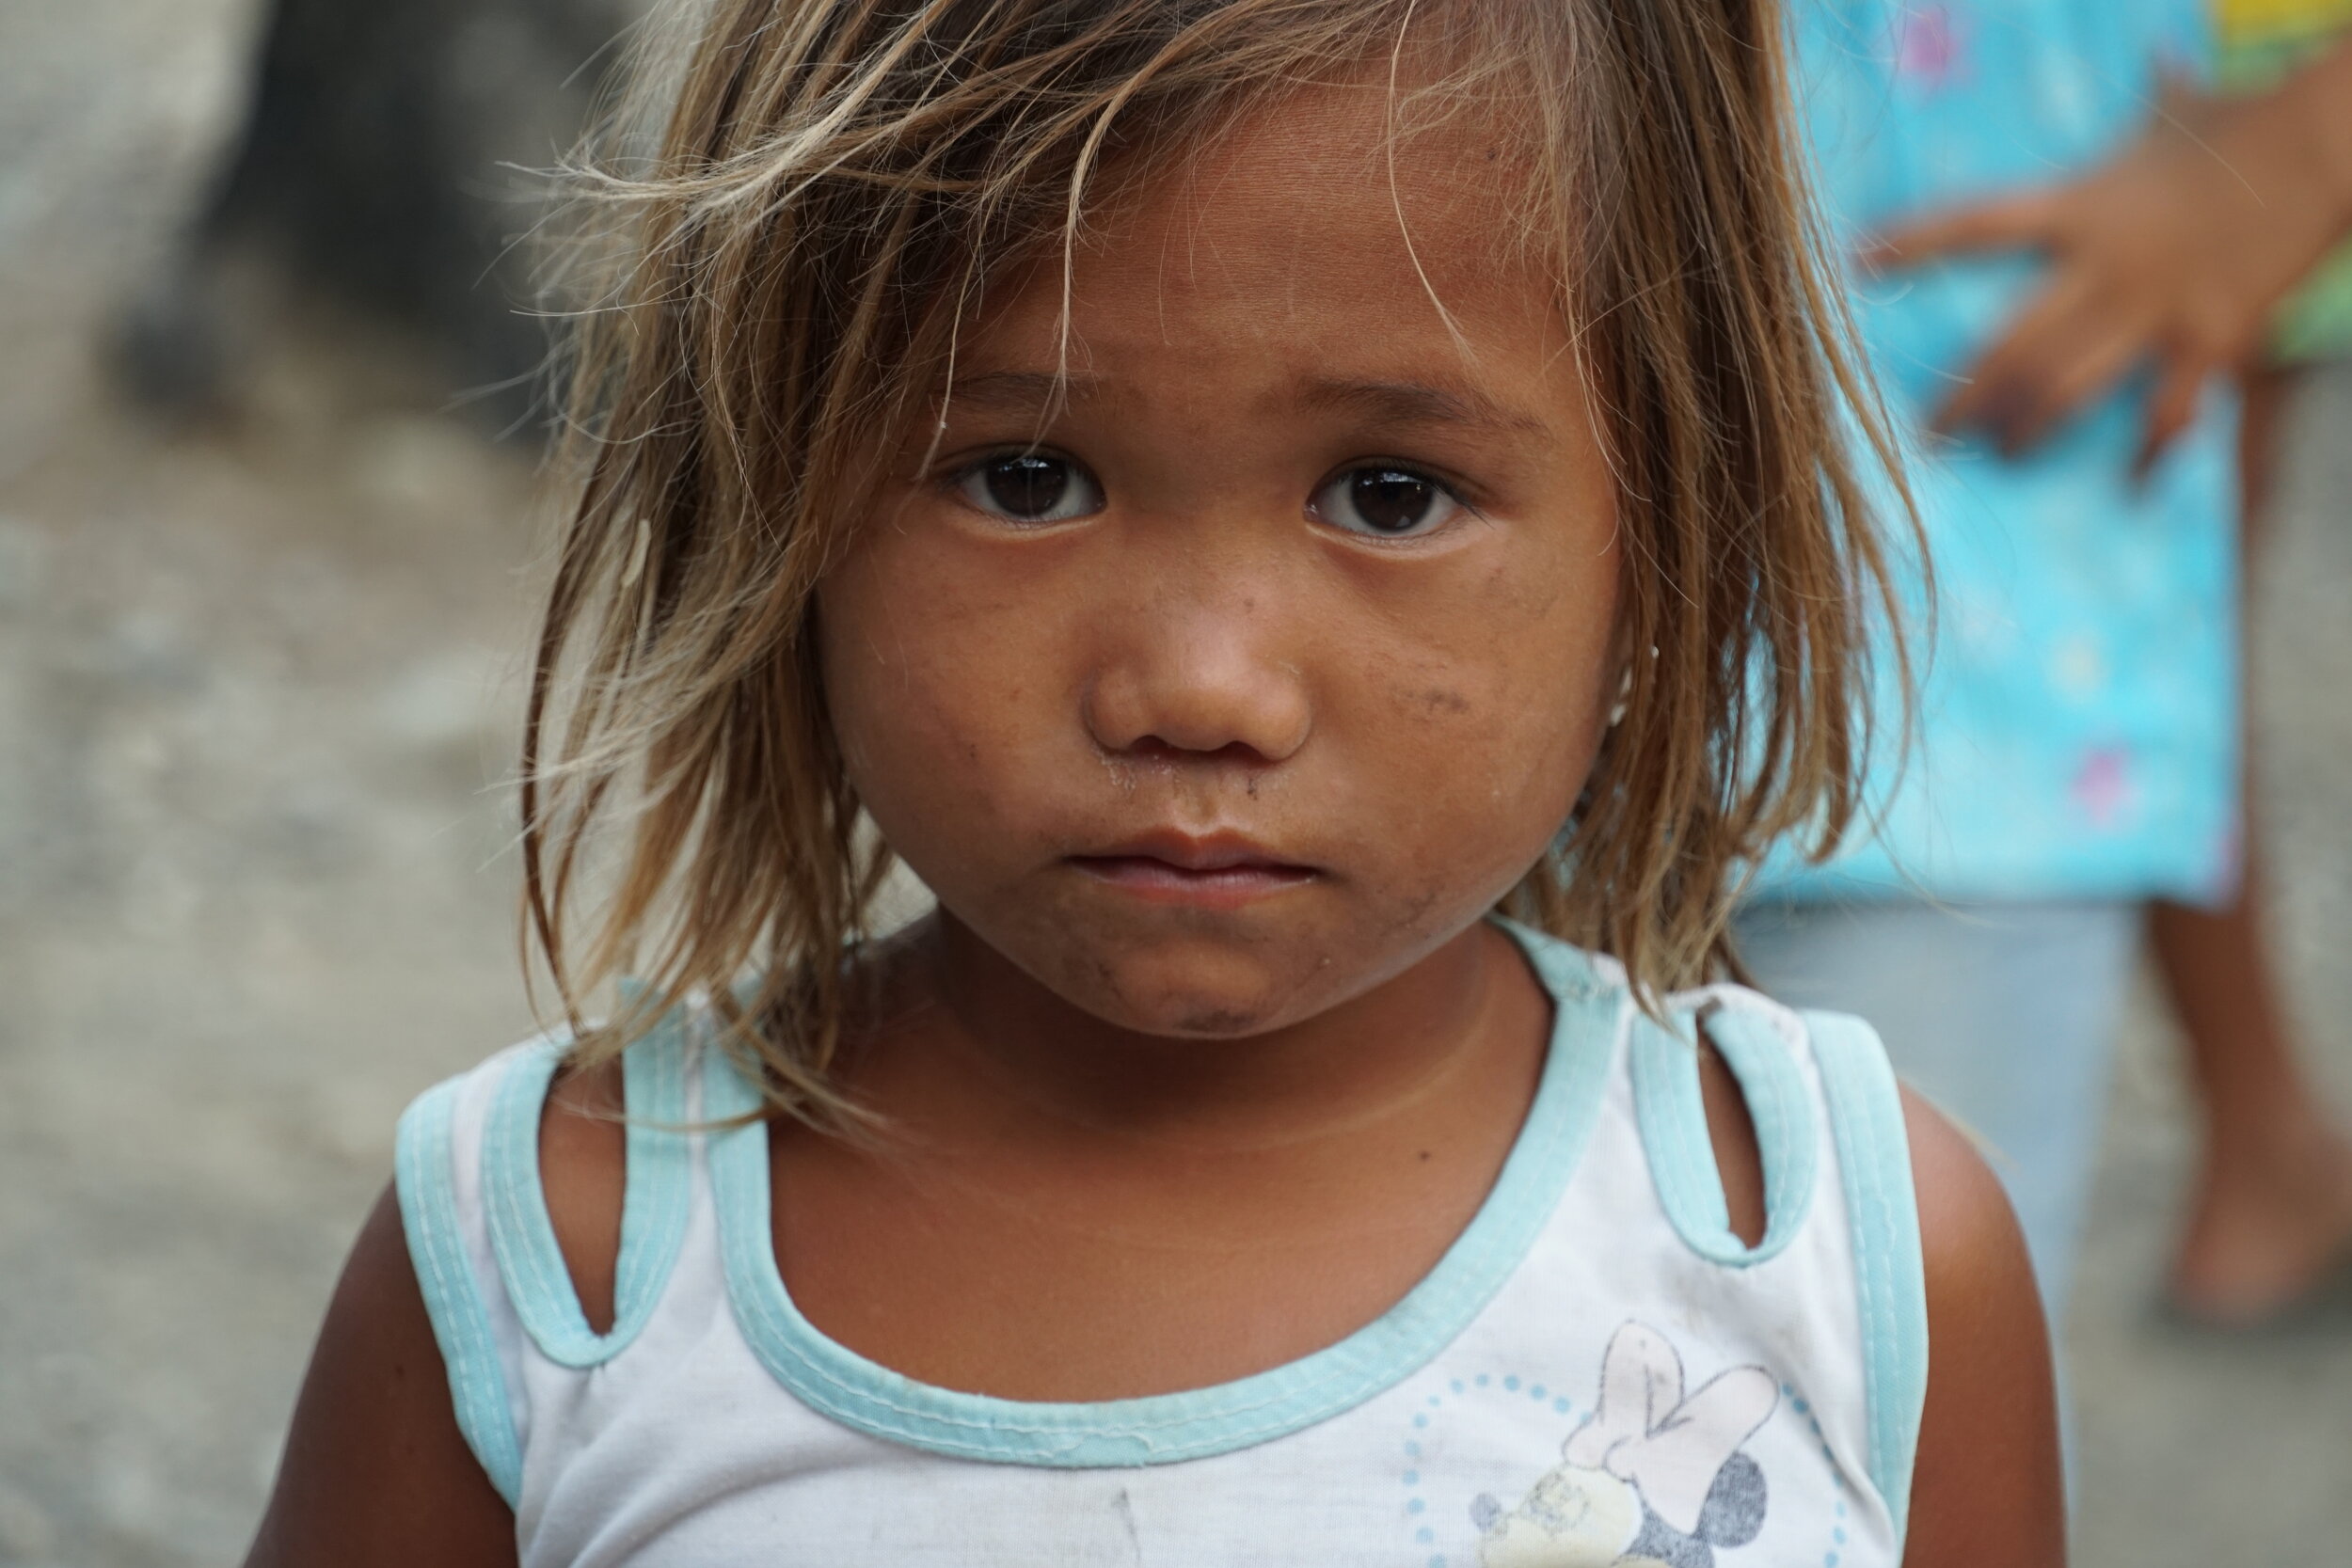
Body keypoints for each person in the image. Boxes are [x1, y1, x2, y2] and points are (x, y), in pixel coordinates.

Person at [241, 3, 2059, 1563]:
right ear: (774, 502)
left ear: (1670, 526)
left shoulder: (1840, 1258)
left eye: (1390, 497)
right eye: (1025, 478)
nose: (1201, 688)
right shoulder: (557, 1273)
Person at [1745, 1, 2352, 1330]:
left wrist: (2318, 134)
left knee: (1891, 1362)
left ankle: (2267, 1143)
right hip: (1482, 663)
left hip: (1952, 645)